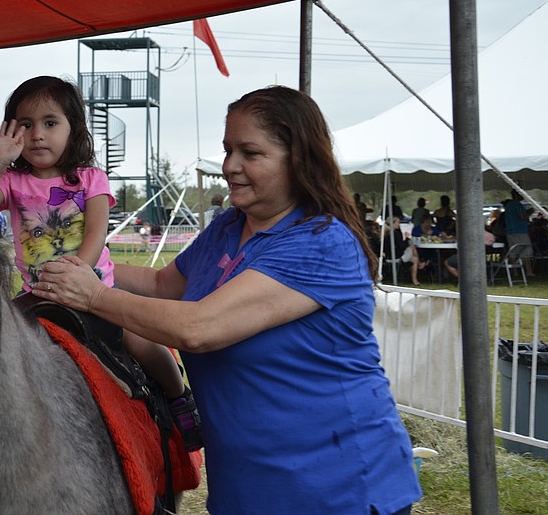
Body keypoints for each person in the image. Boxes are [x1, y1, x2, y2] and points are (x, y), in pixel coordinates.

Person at [32, 86, 421, 514]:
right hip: (248, 487)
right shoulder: (230, 227)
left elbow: (199, 329)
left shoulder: (321, 242)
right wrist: (72, 268)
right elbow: (164, 284)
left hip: (335, 487)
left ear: (299, 158)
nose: (230, 167)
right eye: (228, 150)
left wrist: (93, 294)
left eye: (250, 153)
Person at [0, 75, 201, 450]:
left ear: (73, 129)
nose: (37, 135)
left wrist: (78, 272)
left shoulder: (89, 179)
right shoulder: (12, 182)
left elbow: (96, 233)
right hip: (39, 295)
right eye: (26, 125)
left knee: (140, 340)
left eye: (50, 123)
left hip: (92, 288)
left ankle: (179, 395)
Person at [383, 216, 425, 286]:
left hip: (388, 257)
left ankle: (415, 278)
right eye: (398, 222)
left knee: (414, 259)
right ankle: (416, 277)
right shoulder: (394, 233)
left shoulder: (387, 233)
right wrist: (406, 238)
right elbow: (402, 246)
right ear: (393, 223)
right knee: (412, 247)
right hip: (397, 258)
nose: (399, 224)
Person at [503, 189, 535, 276]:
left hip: (510, 231)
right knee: (526, 250)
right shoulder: (517, 205)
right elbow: (522, 216)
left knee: (513, 251)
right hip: (520, 231)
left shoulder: (508, 206)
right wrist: (530, 211)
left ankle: (515, 272)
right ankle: (528, 271)